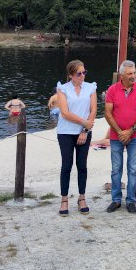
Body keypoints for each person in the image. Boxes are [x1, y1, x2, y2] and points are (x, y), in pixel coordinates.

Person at [104, 60, 136, 214]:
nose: (133, 76)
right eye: (129, 73)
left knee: (133, 169)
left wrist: (131, 130)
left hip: (135, 135)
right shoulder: (112, 90)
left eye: (134, 73)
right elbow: (107, 113)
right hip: (116, 136)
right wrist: (119, 131)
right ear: (122, 75)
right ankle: (116, 200)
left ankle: (130, 200)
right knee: (116, 169)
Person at [55, 60, 97, 216]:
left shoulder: (90, 87)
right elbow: (64, 113)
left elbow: (93, 111)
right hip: (66, 132)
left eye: (84, 72)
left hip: (84, 131)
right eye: (79, 73)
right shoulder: (63, 89)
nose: (82, 76)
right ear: (71, 75)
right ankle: (64, 200)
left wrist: (85, 129)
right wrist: (83, 121)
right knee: (66, 165)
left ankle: (82, 198)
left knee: (82, 165)